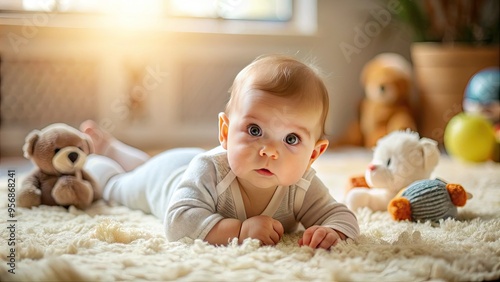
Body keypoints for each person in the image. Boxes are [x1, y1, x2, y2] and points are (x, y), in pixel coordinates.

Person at [82, 54, 359, 250]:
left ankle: (114, 148)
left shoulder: (303, 185)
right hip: (167, 177)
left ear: (313, 154)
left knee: (143, 164)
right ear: (225, 133)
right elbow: (178, 223)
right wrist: (239, 231)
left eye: (291, 138)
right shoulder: (209, 169)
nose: (269, 151)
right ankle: (98, 160)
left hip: (180, 165)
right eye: (254, 131)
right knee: (119, 185)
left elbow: (342, 216)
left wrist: (331, 231)